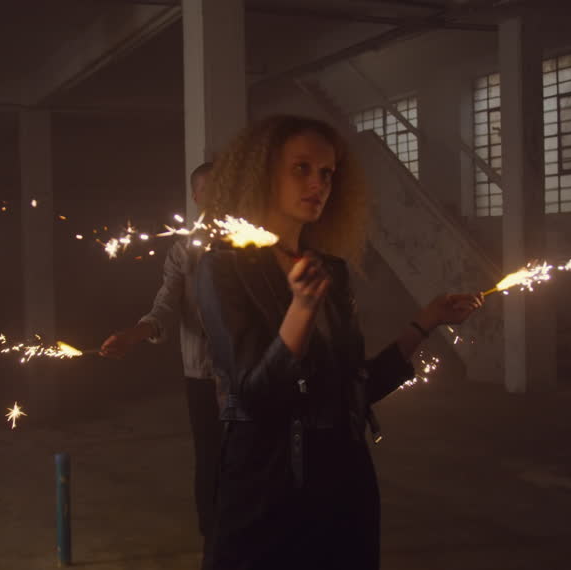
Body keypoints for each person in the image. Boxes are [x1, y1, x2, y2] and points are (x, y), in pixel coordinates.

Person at [194, 115, 483, 570]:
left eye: (327, 173)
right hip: (270, 486)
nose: (319, 184)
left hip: (344, 483)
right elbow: (255, 396)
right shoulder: (223, 269)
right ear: (262, 172)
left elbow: (354, 386)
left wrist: (425, 323)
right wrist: (301, 310)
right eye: (302, 168)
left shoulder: (330, 269)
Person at [99, 162, 221, 538]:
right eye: (211, 189)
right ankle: (214, 541)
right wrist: (135, 334)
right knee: (211, 460)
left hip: (251, 374)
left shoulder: (254, 244)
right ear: (196, 197)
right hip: (204, 375)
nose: (221, 196)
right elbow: (165, 305)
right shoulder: (184, 252)